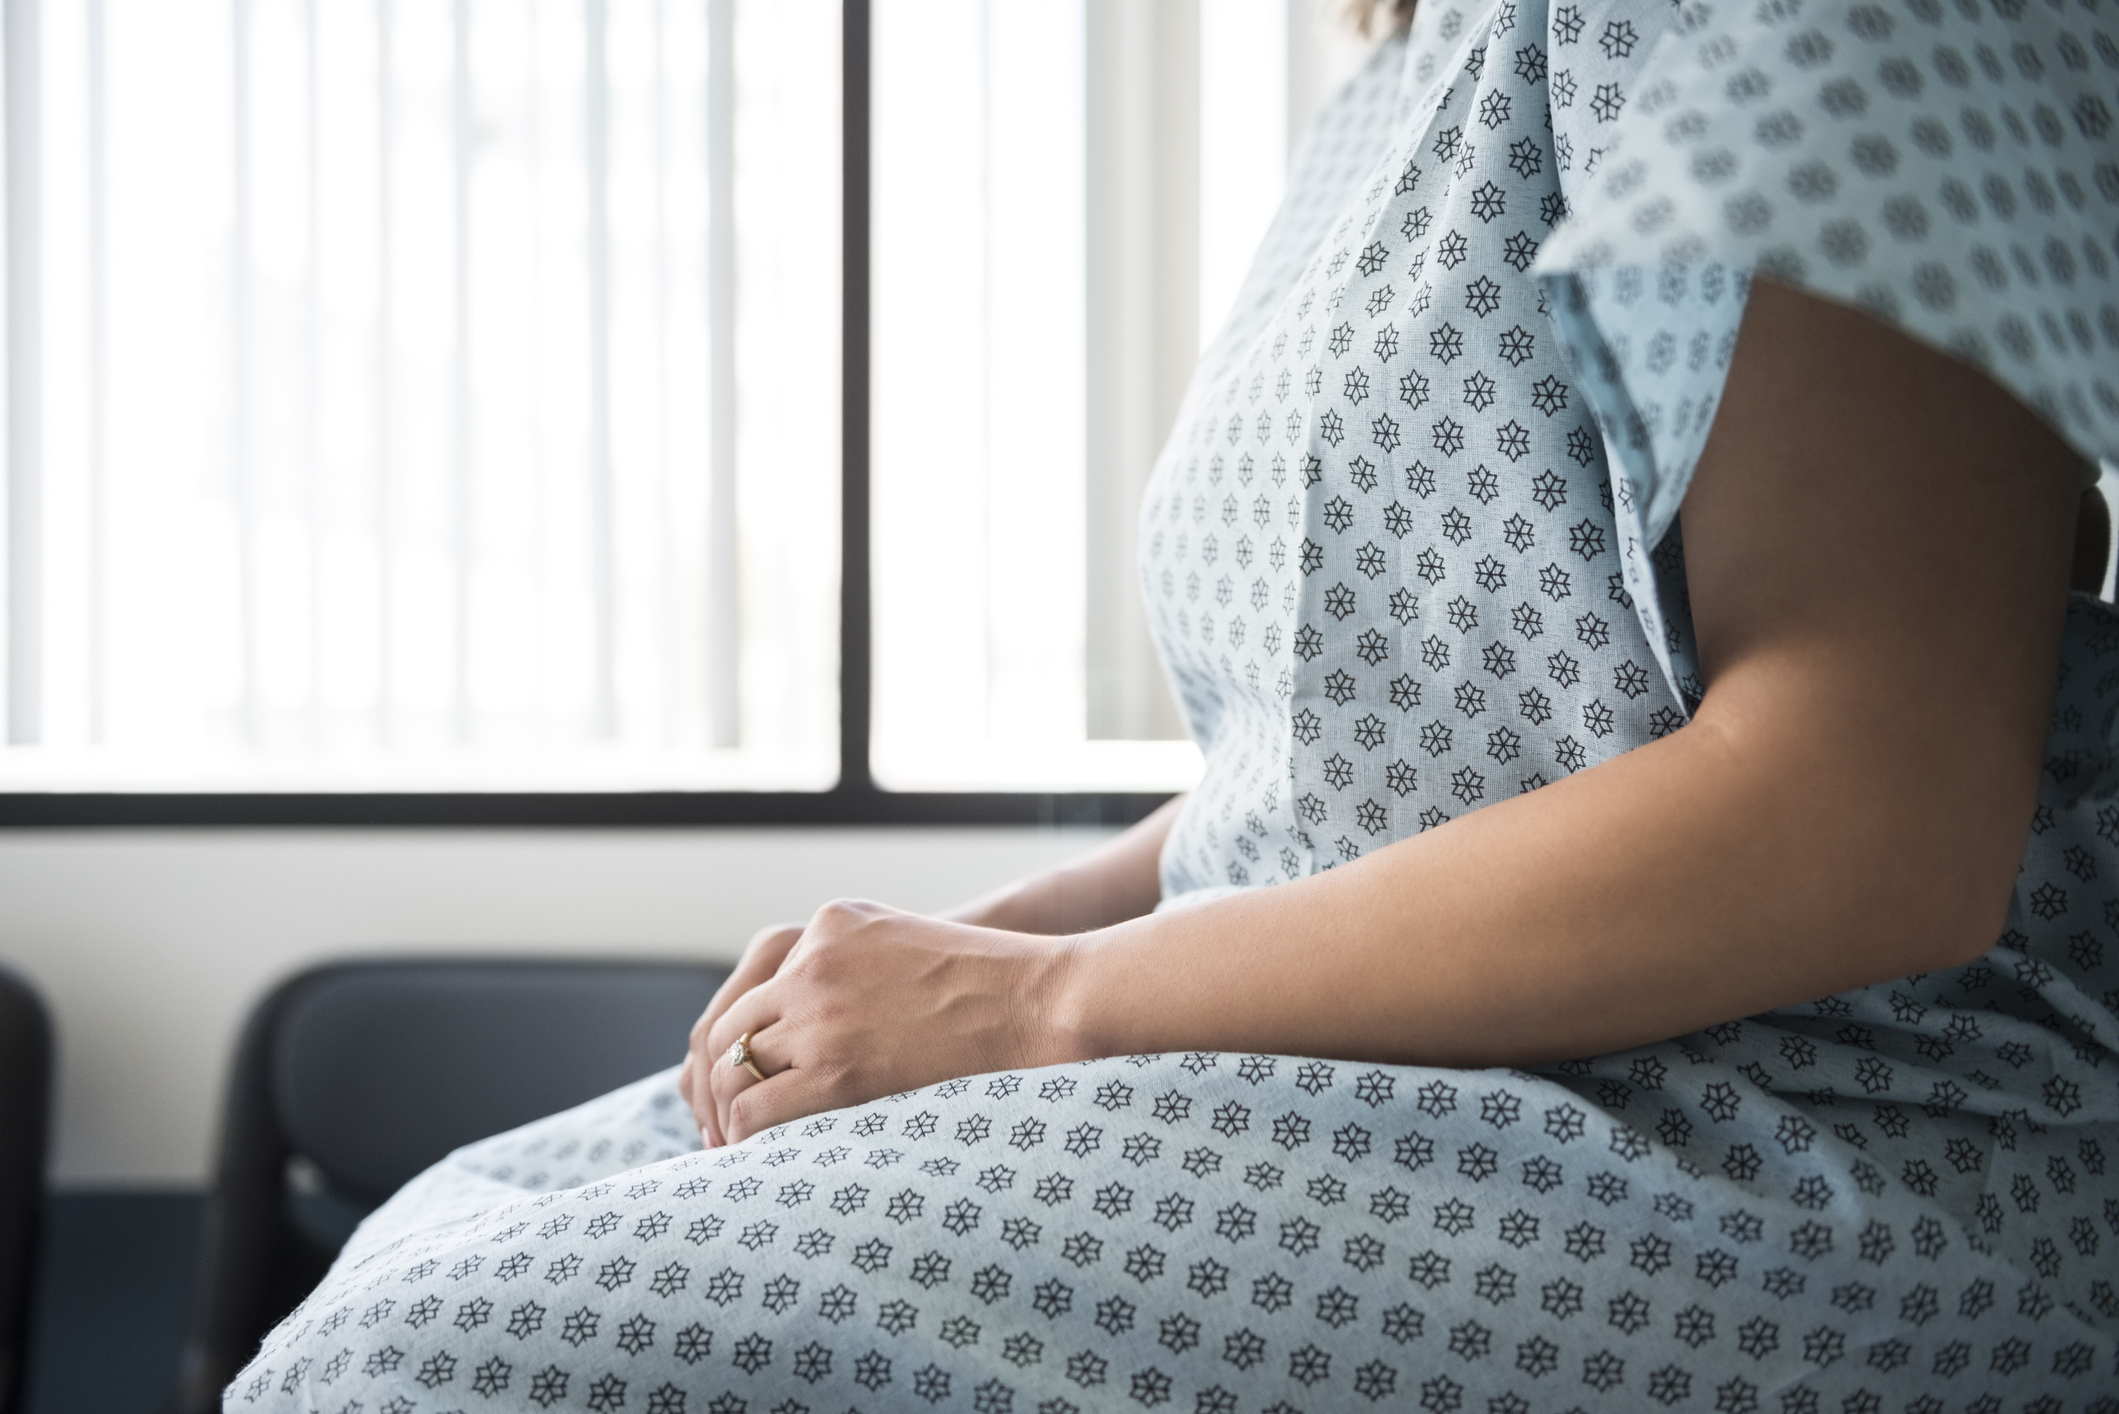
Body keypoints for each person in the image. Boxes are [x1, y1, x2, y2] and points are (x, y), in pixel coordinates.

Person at [233, 0, 2119, 1407]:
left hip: (1794, 1117)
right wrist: (959, 946)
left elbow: (1865, 815)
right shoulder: (1404, 62)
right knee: (444, 1229)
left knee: (450, 1359)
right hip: (1373, 1045)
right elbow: (1342, 776)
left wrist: (1035, 1006)